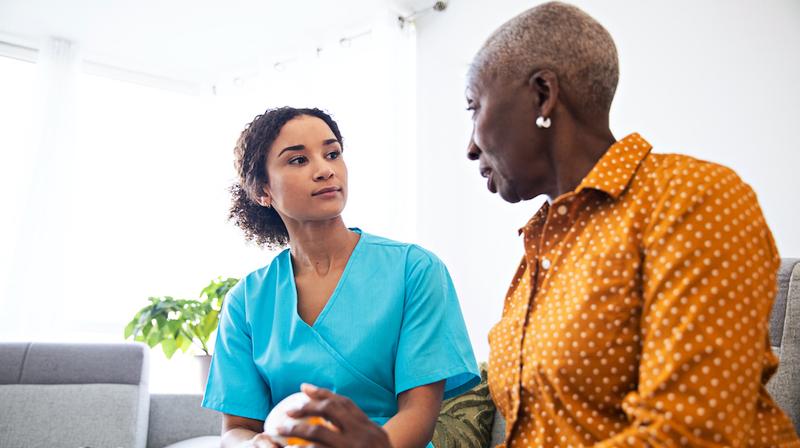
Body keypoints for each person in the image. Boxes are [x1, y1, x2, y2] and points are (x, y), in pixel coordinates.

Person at [463, 2, 800, 447]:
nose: (470, 146)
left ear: (543, 94)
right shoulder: (544, 241)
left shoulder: (691, 200)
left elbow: (691, 434)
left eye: (474, 107)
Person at [201, 107, 479, 448]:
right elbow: (236, 429)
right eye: (299, 160)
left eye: (332, 154)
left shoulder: (415, 270)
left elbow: (418, 417)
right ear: (262, 190)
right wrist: (254, 445)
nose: (324, 170)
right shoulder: (245, 301)